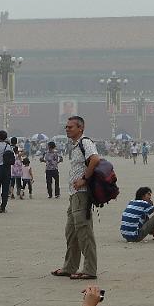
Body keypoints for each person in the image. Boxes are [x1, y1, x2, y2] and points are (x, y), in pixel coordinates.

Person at [51, 116, 99, 280]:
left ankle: (90, 269)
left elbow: (95, 159)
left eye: (70, 127)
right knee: (71, 231)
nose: (67, 129)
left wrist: (84, 179)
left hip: (82, 194)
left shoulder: (86, 142)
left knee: (84, 231)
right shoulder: (76, 145)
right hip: (74, 195)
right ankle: (70, 266)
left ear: (81, 128)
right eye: (66, 127)